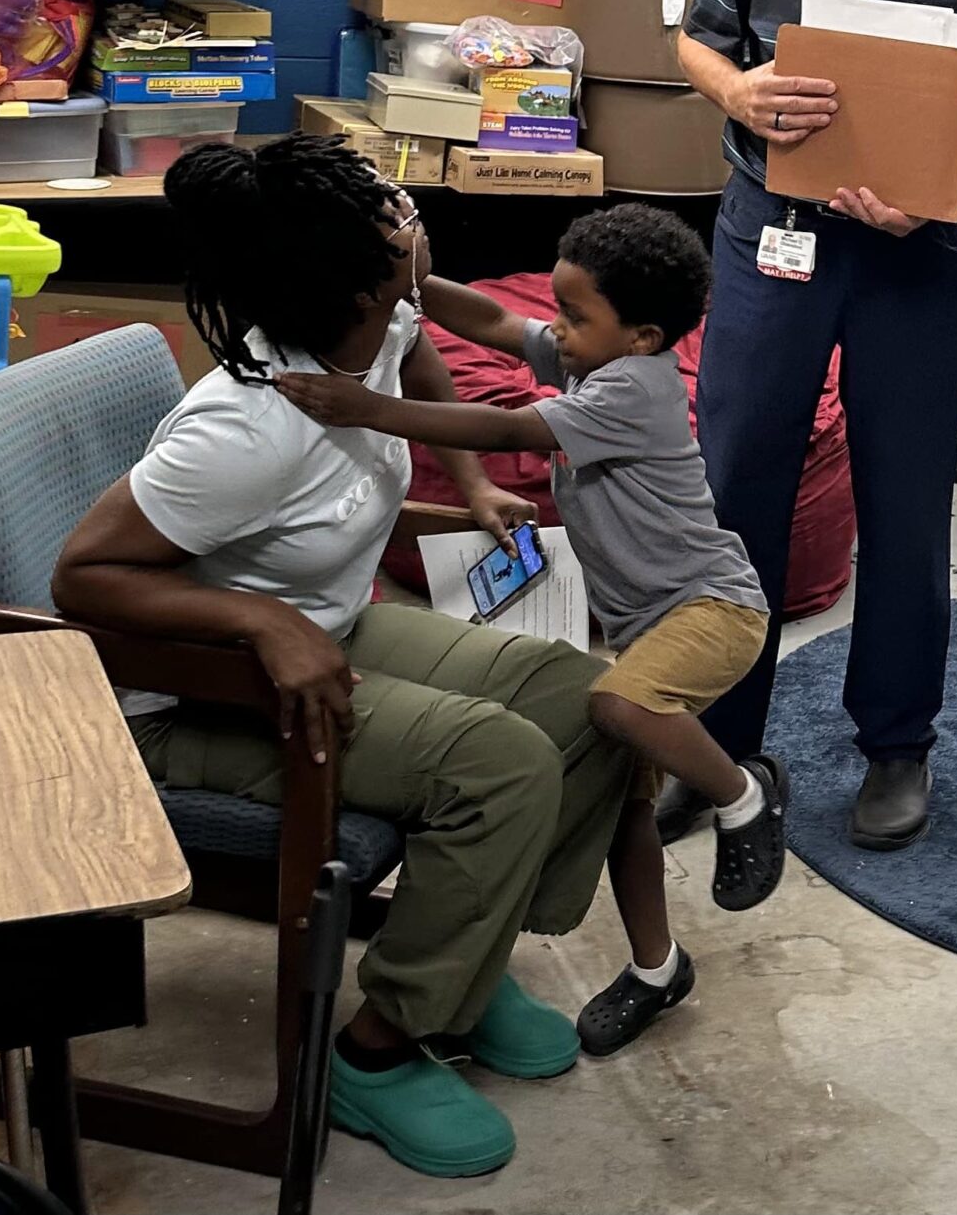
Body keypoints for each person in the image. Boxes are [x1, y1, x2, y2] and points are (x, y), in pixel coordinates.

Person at [52, 135, 634, 1181]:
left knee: (589, 696)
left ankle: (469, 947)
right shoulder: (242, 425)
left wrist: (468, 478)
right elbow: (83, 577)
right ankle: (378, 1047)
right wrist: (257, 623)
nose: (412, 215)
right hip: (185, 703)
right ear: (360, 269)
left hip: (337, 624)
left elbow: (421, 362)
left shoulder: (380, 318)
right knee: (495, 762)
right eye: (395, 211)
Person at [279, 203, 785, 1059]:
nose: (558, 329)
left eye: (577, 317)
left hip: (712, 608)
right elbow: (498, 322)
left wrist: (363, 407)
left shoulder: (634, 386)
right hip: (647, 623)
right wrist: (413, 281)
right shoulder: (599, 358)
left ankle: (745, 795)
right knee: (625, 807)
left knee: (615, 708)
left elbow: (510, 426)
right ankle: (659, 970)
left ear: (645, 335)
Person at [667, 0, 957, 853]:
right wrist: (740, 91)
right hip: (773, 240)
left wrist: (942, 176)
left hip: (918, 256)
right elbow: (697, 38)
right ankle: (716, 738)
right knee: (734, 481)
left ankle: (894, 746)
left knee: (905, 504)